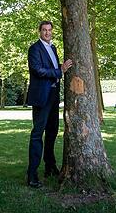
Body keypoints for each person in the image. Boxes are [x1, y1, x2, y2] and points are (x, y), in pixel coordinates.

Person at [26, 21, 72, 188]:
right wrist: (60, 71)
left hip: (53, 96)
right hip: (41, 97)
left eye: (49, 30)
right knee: (38, 134)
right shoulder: (34, 49)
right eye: (44, 30)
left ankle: (50, 167)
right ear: (39, 32)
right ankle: (32, 174)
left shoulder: (53, 48)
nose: (47, 33)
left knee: (52, 133)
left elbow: (51, 68)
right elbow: (38, 70)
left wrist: (60, 68)